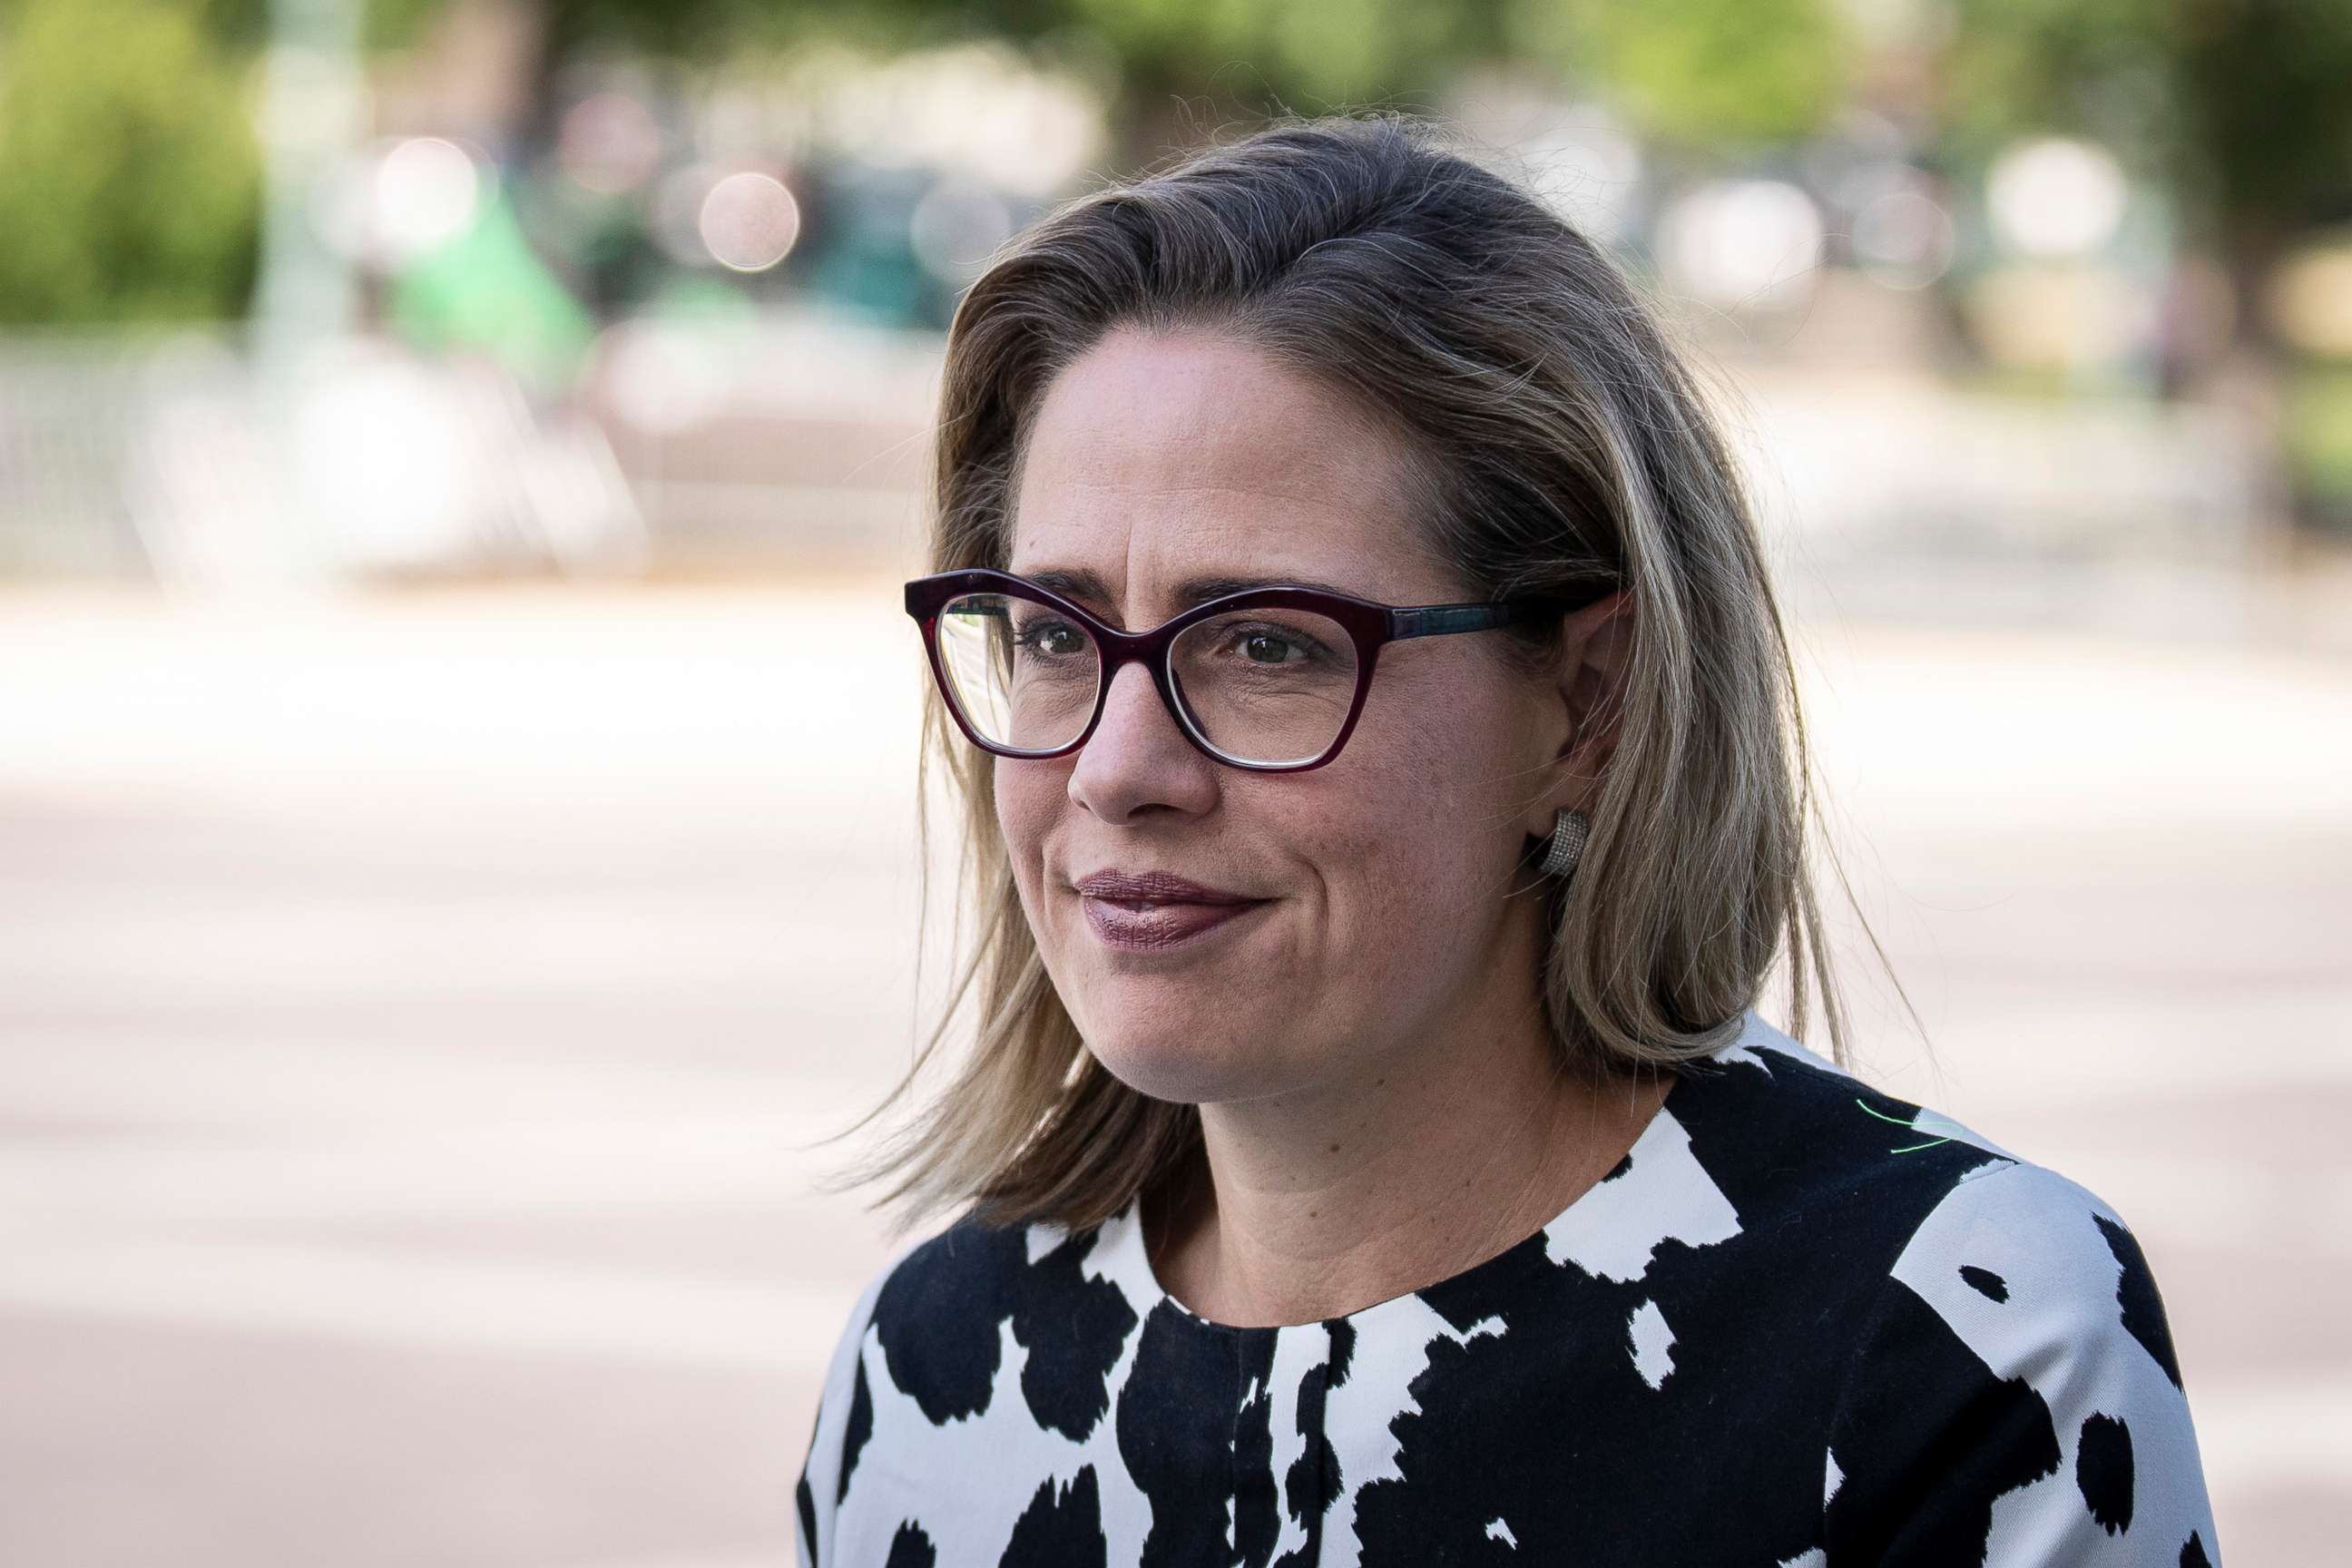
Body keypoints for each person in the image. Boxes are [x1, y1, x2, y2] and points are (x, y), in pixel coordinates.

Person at [794, 113, 2220, 1566]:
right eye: (1052, 631)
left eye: (1270, 646)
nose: (1117, 768)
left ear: (1586, 704)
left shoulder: (1947, 1343)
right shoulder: (933, 1374)